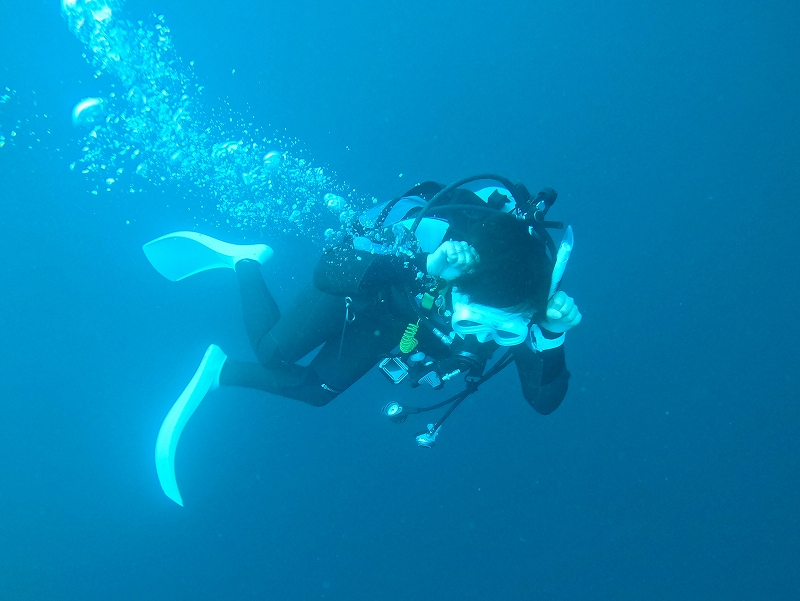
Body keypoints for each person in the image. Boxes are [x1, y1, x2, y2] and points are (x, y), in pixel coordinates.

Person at [145, 175, 582, 505]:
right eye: (471, 323)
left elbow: (543, 401)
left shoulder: (529, 309)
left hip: (395, 324)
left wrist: (551, 336)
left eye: (505, 332)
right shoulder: (432, 236)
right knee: (273, 352)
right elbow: (329, 269)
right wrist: (420, 267)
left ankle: (221, 369)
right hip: (368, 283)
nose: (482, 340)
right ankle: (245, 260)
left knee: (316, 392)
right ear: (456, 294)